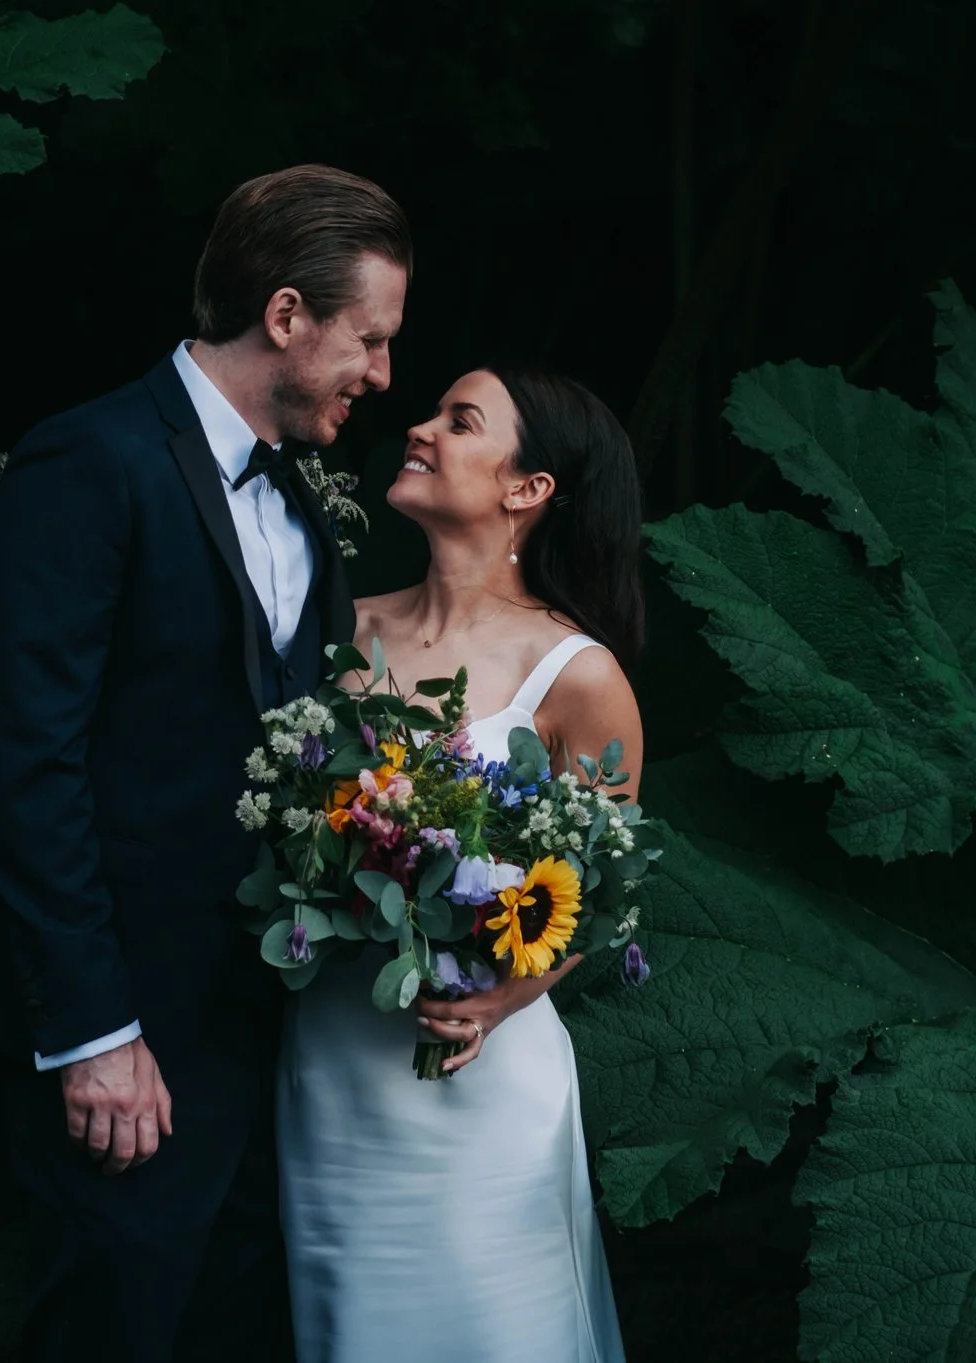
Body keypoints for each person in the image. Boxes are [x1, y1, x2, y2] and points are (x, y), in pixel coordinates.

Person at [0, 164, 410, 1360]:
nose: (382, 375)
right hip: (123, 1032)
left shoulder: (308, 498)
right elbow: (26, 757)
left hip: (259, 1026)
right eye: (369, 338)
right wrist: (94, 1030)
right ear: (288, 316)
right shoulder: (87, 459)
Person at [277, 363, 645, 1362]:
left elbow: (602, 889)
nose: (422, 426)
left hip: (479, 1071)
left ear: (527, 489)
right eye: (433, 411)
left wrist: (498, 1000)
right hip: (338, 1056)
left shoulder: (577, 674)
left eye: (460, 419)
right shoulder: (339, 632)